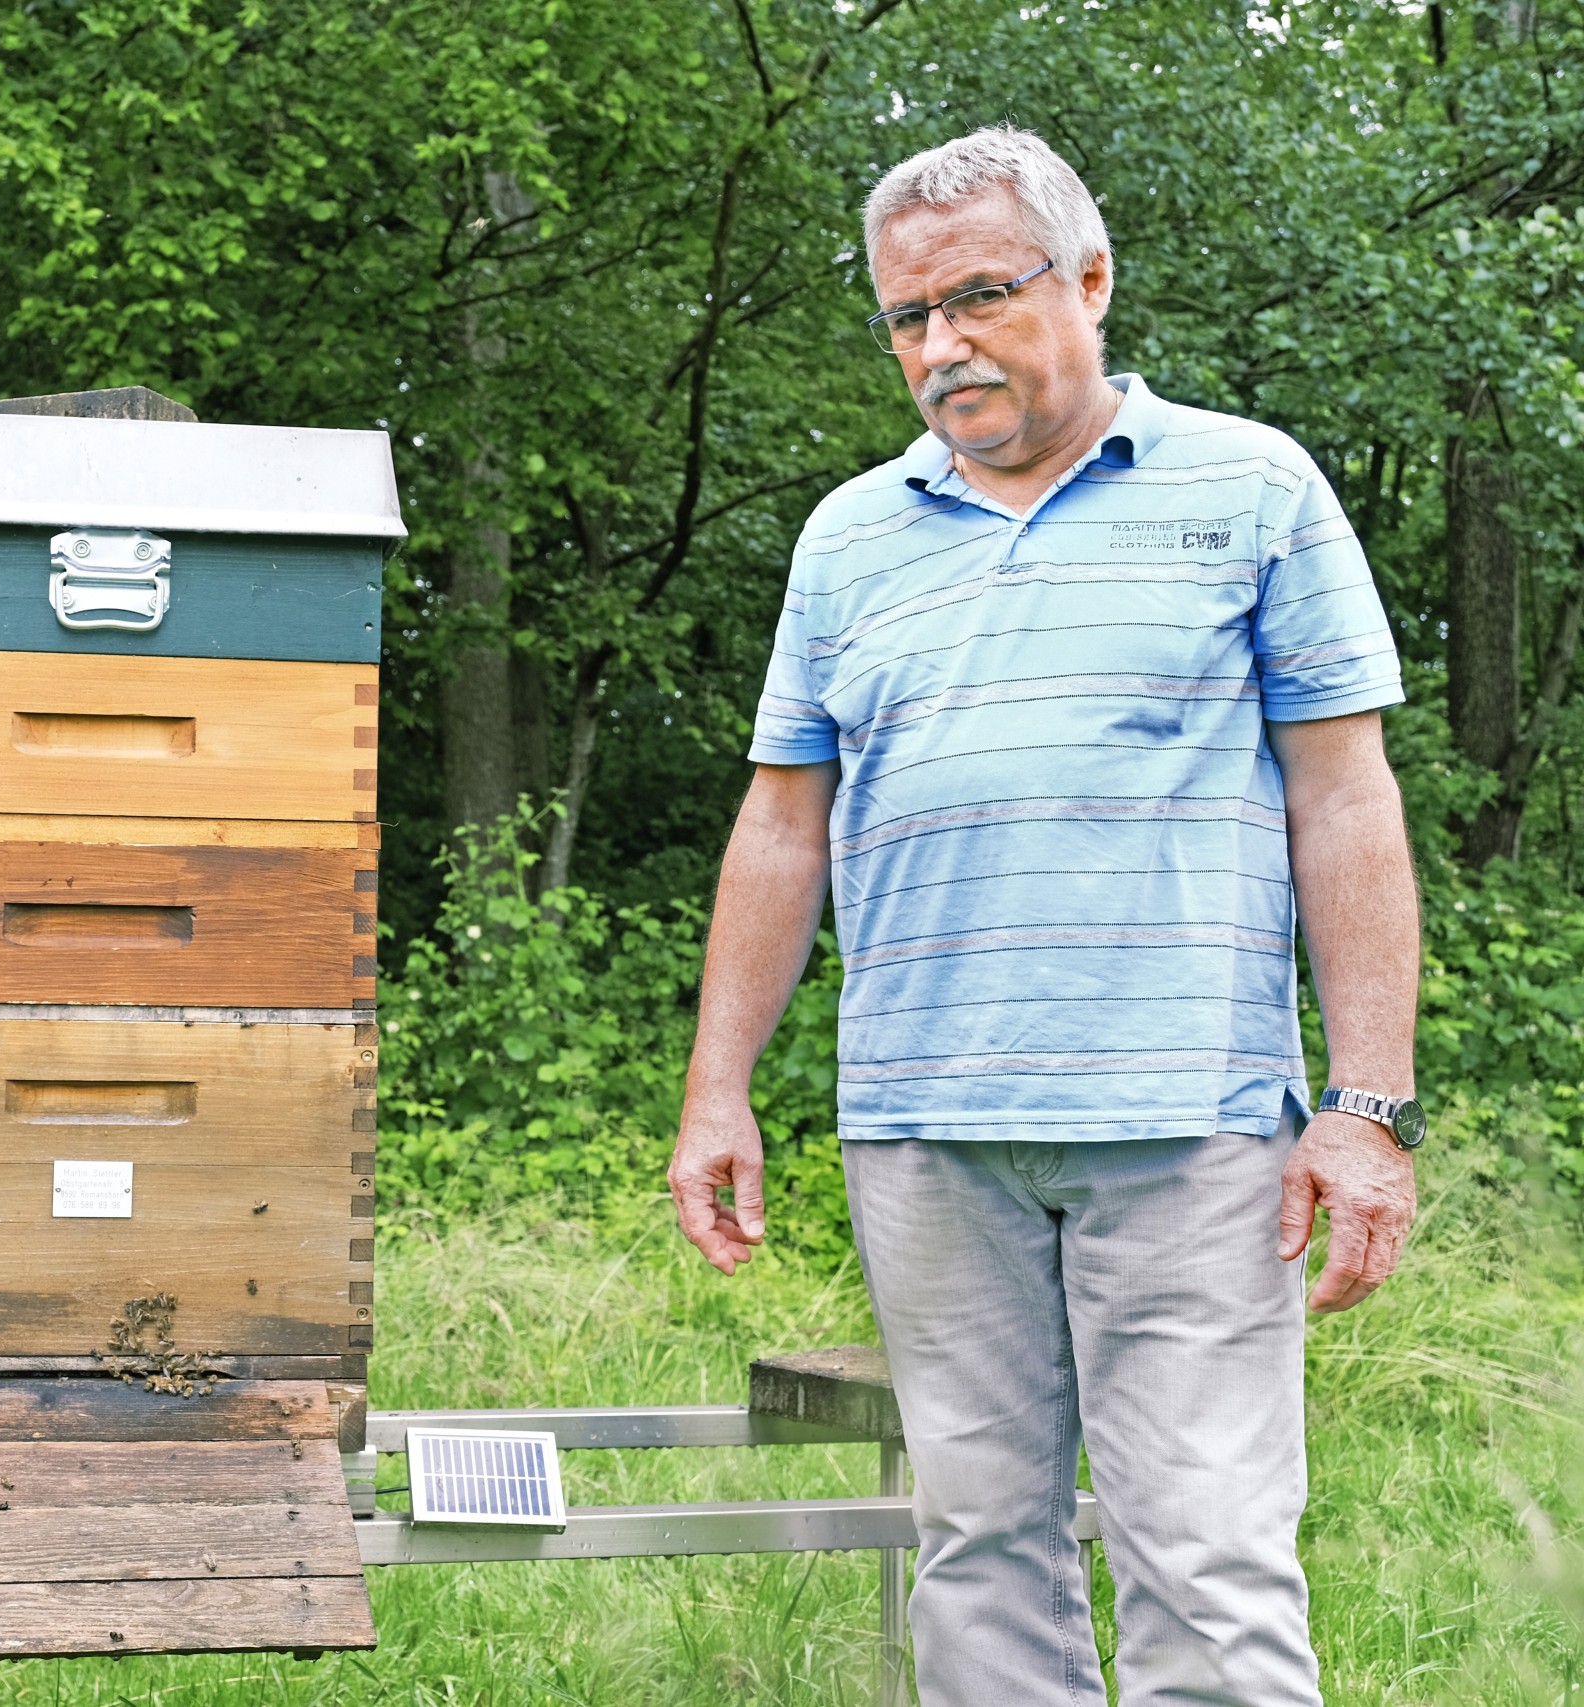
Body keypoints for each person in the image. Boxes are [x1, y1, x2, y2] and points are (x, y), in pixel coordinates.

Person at [669, 126, 1421, 1705]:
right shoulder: (848, 536)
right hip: (923, 1128)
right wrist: (717, 1087)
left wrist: (1364, 1107)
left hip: (1189, 1123)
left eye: (980, 298)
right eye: (907, 317)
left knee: (1207, 1560)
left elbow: (1346, 802)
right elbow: (783, 825)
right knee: (976, 1548)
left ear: (1089, 278)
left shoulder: (1252, 488)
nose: (941, 345)